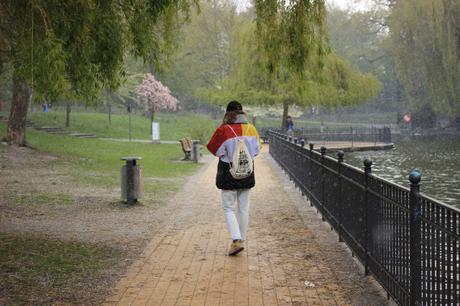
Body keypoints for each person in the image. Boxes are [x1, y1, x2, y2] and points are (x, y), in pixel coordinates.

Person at [207, 100, 260, 256]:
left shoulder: (224, 130)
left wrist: (229, 152)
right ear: (242, 113)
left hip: (228, 173)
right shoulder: (251, 129)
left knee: (228, 208)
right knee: (244, 208)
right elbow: (256, 151)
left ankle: (236, 240)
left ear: (228, 113)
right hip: (247, 173)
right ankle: (241, 240)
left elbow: (214, 149)